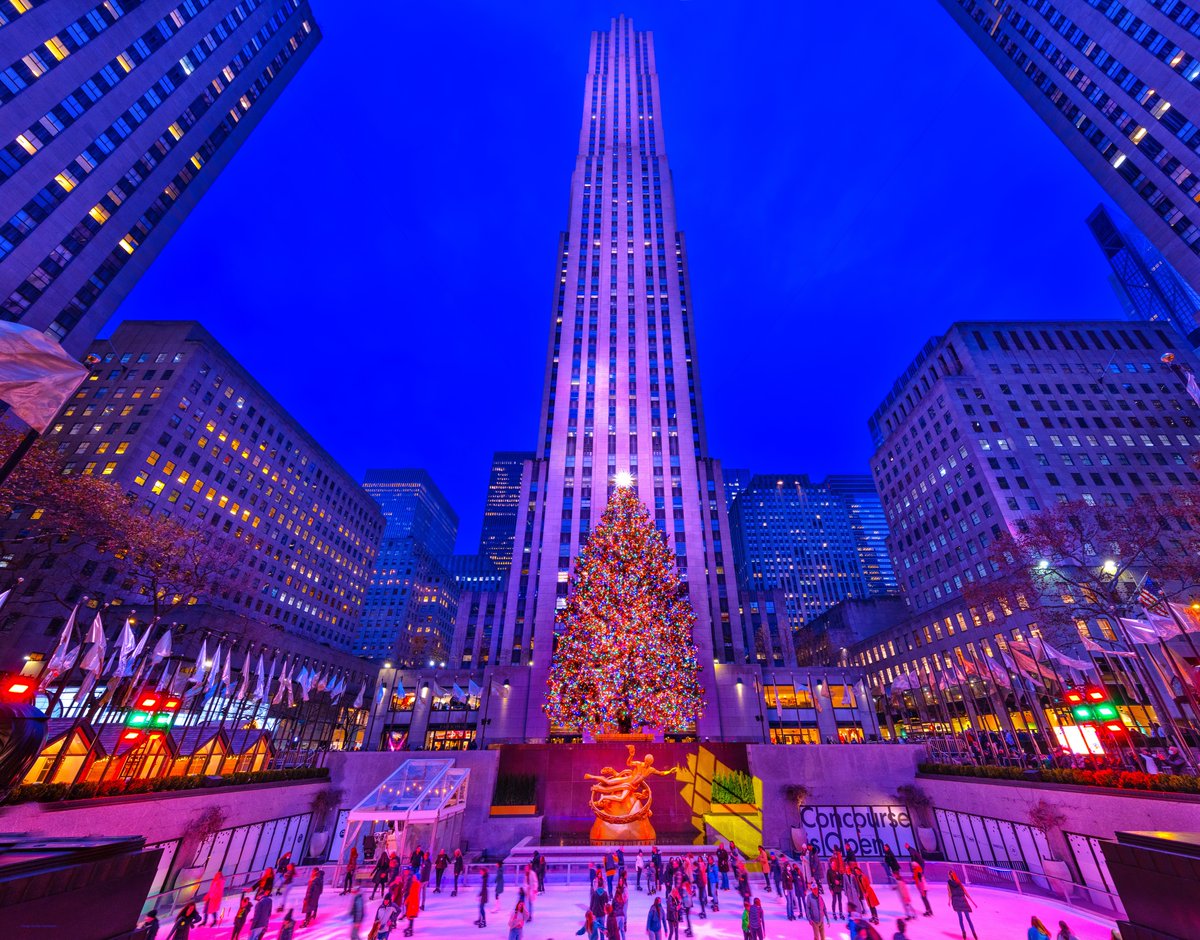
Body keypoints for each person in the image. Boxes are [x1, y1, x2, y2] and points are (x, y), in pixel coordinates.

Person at [946, 871, 978, 940]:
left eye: (948, 875)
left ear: (950, 875)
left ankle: (965, 933)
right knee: (967, 919)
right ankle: (973, 933)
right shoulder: (958, 882)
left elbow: (950, 893)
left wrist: (949, 901)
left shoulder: (950, 883)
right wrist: (972, 902)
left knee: (962, 919)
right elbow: (965, 892)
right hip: (962, 901)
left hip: (957, 901)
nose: (948, 876)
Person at [402, 871, 422, 937]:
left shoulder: (416, 884)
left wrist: (407, 901)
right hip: (412, 902)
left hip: (413, 903)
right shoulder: (414, 883)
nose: (413, 878)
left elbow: (413, 894)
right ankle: (410, 927)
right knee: (410, 916)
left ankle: (410, 929)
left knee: (411, 916)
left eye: (414, 877)